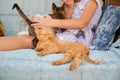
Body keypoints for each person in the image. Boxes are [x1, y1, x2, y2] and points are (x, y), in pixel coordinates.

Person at [0, 0, 103, 51]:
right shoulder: (73, 2)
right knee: (24, 37)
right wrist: (69, 6)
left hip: (78, 39)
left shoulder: (92, 2)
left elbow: (81, 23)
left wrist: (51, 22)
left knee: (29, 41)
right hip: (67, 34)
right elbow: (65, 25)